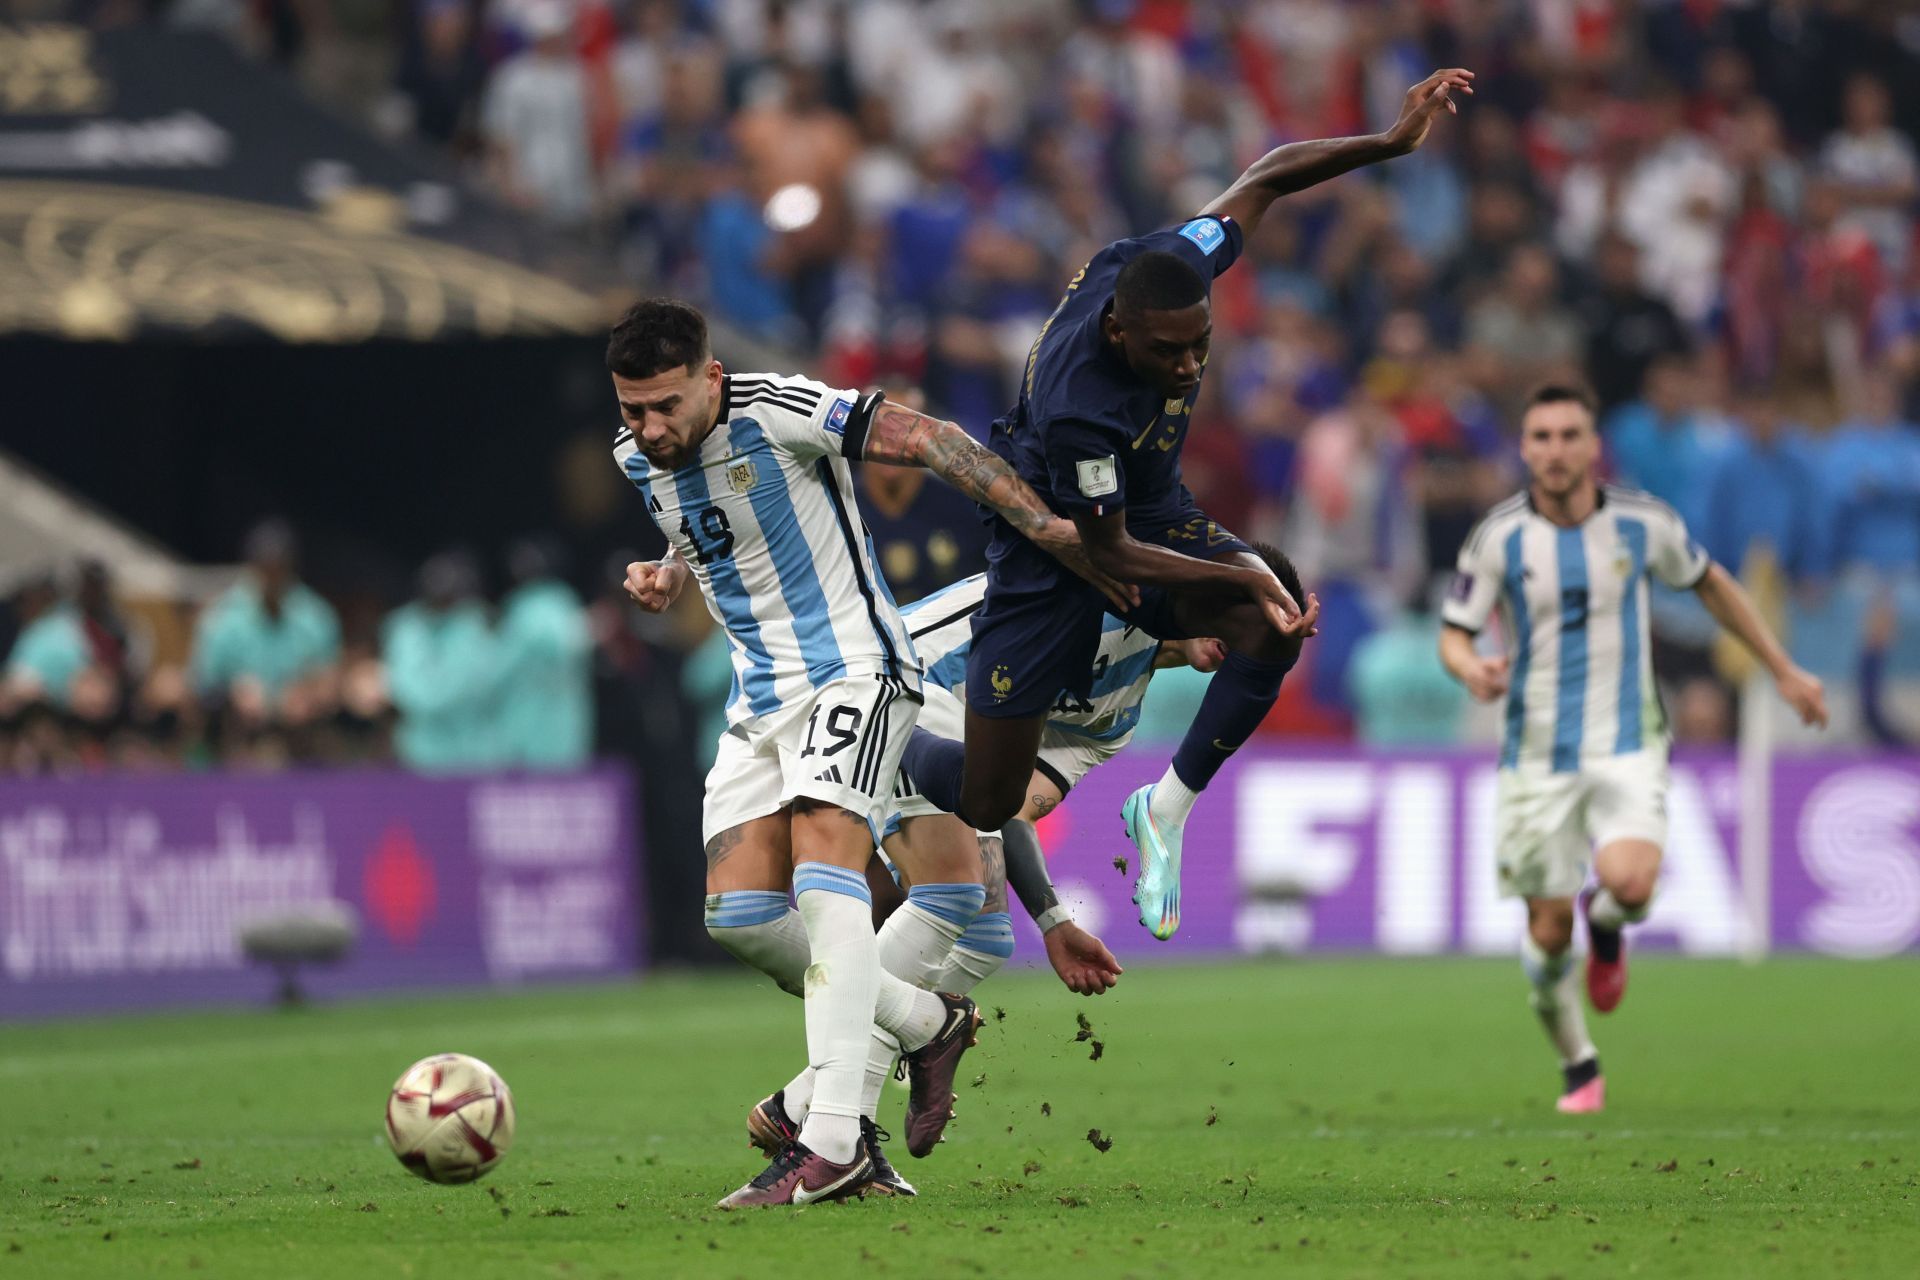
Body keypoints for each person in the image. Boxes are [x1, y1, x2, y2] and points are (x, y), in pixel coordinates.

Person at [898, 68, 1476, 941]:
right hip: (1057, 545)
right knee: (989, 798)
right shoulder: (1079, 406)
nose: (1187, 365)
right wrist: (1231, 567)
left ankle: (1163, 809)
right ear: (1120, 333)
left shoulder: (1165, 265)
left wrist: (1387, 143)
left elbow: (1268, 176)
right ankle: (883, 743)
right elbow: (1109, 553)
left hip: (1150, 503)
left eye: (1199, 344)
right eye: (1168, 352)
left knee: (1272, 618)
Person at [609, 298, 1111, 1208]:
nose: (647, 429)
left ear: (710, 379)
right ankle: (927, 1023)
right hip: (757, 700)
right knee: (742, 918)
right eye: (631, 410)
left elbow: (927, 437)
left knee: (826, 874)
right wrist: (669, 570)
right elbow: (709, 530)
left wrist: (1043, 528)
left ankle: (833, 1138)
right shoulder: (640, 455)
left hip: (855, 673)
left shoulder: (780, 408)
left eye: (665, 407)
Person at [745, 550, 1301, 1190]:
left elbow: (1004, 807)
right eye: (1240, 611)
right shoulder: (1093, 600)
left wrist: (1053, 919)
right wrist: (887, 728)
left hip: (938, 737)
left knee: (986, 935)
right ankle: (835, 1109)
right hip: (888, 684)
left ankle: (817, 1105)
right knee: (951, 895)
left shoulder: (1113, 719)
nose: (1236, 636)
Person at [1438, 384, 1828, 1115]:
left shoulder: (1643, 524)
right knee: (1547, 933)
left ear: (1593, 447)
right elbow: (1454, 630)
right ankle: (1579, 1064)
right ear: (1525, 448)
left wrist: (1782, 669)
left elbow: (1712, 585)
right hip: (1536, 755)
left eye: (1569, 435)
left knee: (1634, 883)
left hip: (1628, 740)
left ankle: (1609, 925)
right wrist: (1471, 669)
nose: (1555, 450)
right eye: (1542, 437)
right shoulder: (1498, 537)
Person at [493, 537, 593, 769]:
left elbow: (570, 646)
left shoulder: (558, 600)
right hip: (528, 711)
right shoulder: (524, 603)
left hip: (555, 714)